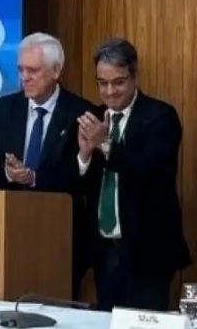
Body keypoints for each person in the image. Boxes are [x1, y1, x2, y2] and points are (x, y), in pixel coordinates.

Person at [0, 32, 96, 299]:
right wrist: (8, 173)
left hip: (60, 240)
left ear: (56, 71)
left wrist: (34, 178)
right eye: (21, 70)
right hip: (6, 236)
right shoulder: (2, 109)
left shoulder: (81, 113)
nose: (24, 77)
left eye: (33, 70)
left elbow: (81, 181)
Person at [77, 38, 190, 312]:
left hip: (147, 252)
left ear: (135, 77)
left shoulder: (160, 116)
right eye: (102, 83)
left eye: (118, 82)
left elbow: (152, 172)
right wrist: (84, 156)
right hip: (105, 252)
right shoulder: (93, 118)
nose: (110, 92)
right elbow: (78, 184)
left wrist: (106, 145)